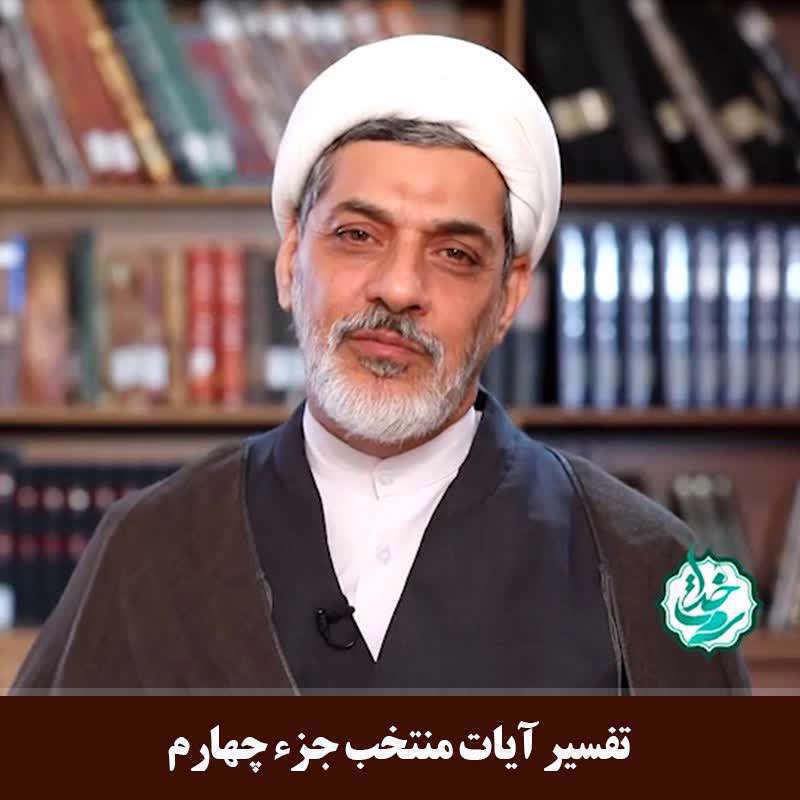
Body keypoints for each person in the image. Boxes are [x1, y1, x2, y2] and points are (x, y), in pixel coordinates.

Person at [11, 35, 750, 695]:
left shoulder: (649, 566)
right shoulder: (150, 547)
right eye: (358, 235)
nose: (399, 288)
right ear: (291, 259)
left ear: (508, 297)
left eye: (454, 254)